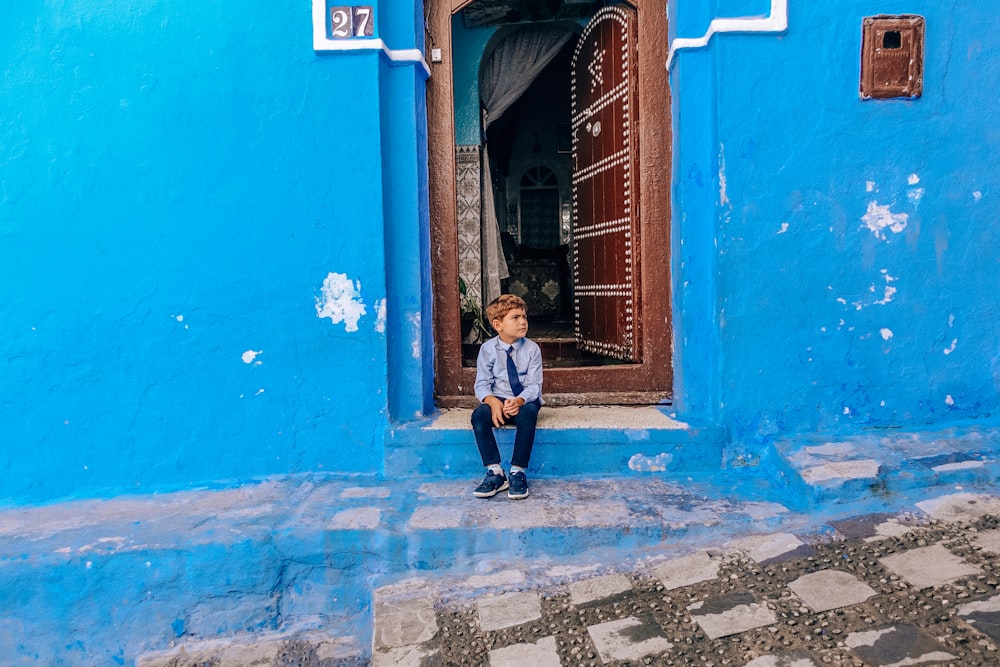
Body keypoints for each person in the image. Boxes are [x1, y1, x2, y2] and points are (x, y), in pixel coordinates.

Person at [471, 294, 543, 500]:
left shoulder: (532, 349)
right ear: (498, 324)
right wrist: (492, 402)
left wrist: (519, 401)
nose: (523, 321)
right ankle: (495, 472)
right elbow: (482, 384)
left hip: (524, 400)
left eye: (525, 317)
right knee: (479, 416)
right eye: (515, 317)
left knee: (529, 413)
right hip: (498, 399)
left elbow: (534, 386)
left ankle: (517, 471)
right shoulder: (487, 349)